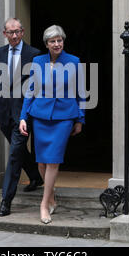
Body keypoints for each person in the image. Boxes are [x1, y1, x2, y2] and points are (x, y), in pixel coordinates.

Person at [19, 25, 85, 224]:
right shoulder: (38, 61)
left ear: (63, 41)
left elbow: (81, 93)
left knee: (53, 160)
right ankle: (52, 196)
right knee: (41, 162)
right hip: (40, 116)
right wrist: (24, 117)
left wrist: (80, 119)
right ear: (46, 44)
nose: (57, 44)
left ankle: (43, 204)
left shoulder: (74, 61)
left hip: (64, 117)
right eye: (52, 41)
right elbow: (30, 90)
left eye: (59, 40)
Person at [0, 18, 43, 217]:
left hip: (24, 112)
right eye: (10, 32)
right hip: (4, 111)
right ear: (4, 33)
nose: (14, 35)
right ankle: (35, 176)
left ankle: (6, 200)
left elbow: (37, 86)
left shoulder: (34, 54)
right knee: (19, 148)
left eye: (17, 32)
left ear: (22, 32)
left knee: (14, 154)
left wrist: (31, 112)